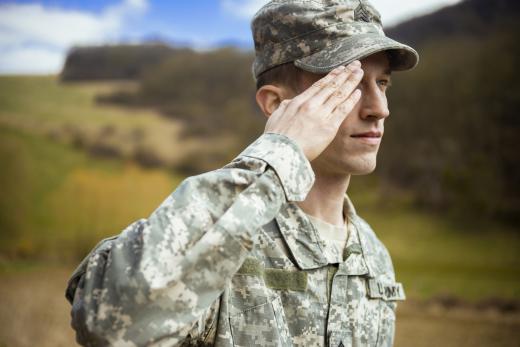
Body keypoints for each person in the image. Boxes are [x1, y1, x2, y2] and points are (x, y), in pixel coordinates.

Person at [65, 0, 419, 346]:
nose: (379, 108)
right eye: (349, 84)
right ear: (276, 104)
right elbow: (105, 321)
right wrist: (280, 151)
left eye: (383, 83)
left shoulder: (372, 255)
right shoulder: (217, 241)